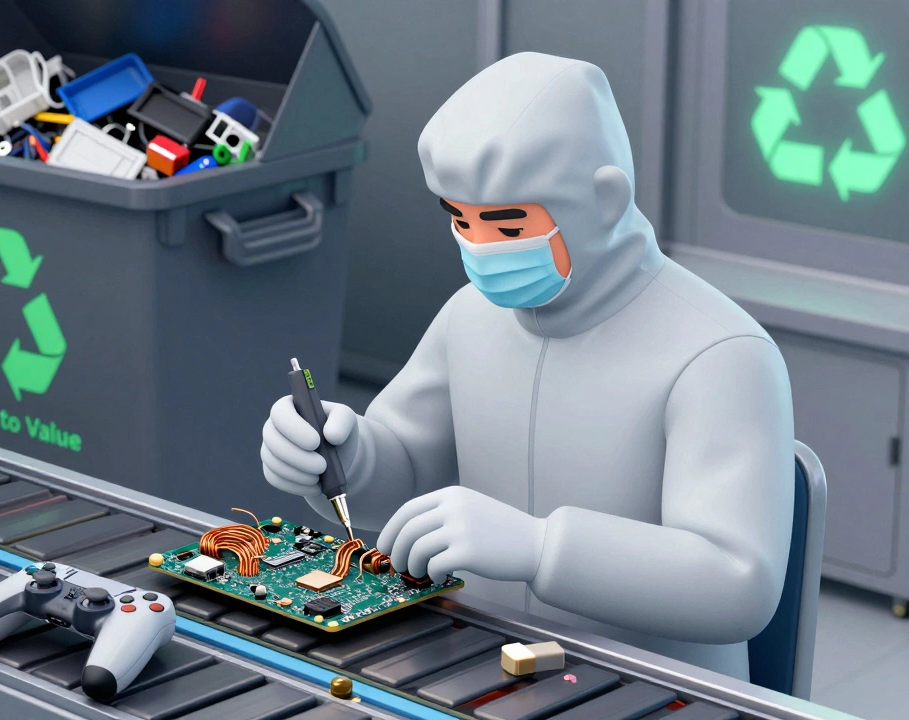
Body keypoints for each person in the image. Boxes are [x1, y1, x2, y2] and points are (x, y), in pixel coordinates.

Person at [260, 52, 794, 680]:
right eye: (460, 219)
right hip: (474, 668)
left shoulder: (721, 355)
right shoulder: (469, 318)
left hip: (648, 690)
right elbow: (403, 473)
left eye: (509, 224)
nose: (481, 250)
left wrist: (543, 548)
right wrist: (338, 460)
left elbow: (738, 584)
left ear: (603, 200)